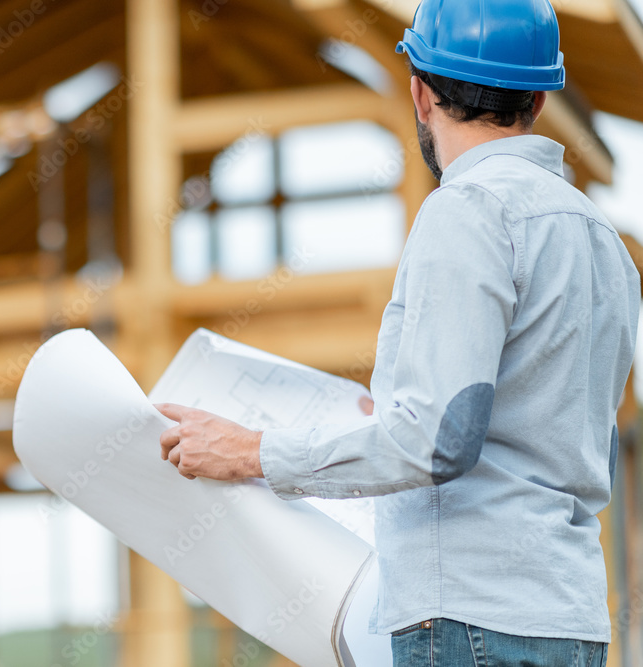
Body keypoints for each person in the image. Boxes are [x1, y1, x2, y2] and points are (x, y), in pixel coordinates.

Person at [154, 1, 641, 665]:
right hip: (571, 618)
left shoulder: (467, 211)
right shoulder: (601, 237)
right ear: (536, 95)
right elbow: (550, 427)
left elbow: (438, 442)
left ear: (419, 92)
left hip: (470, 622)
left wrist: (252, 453)